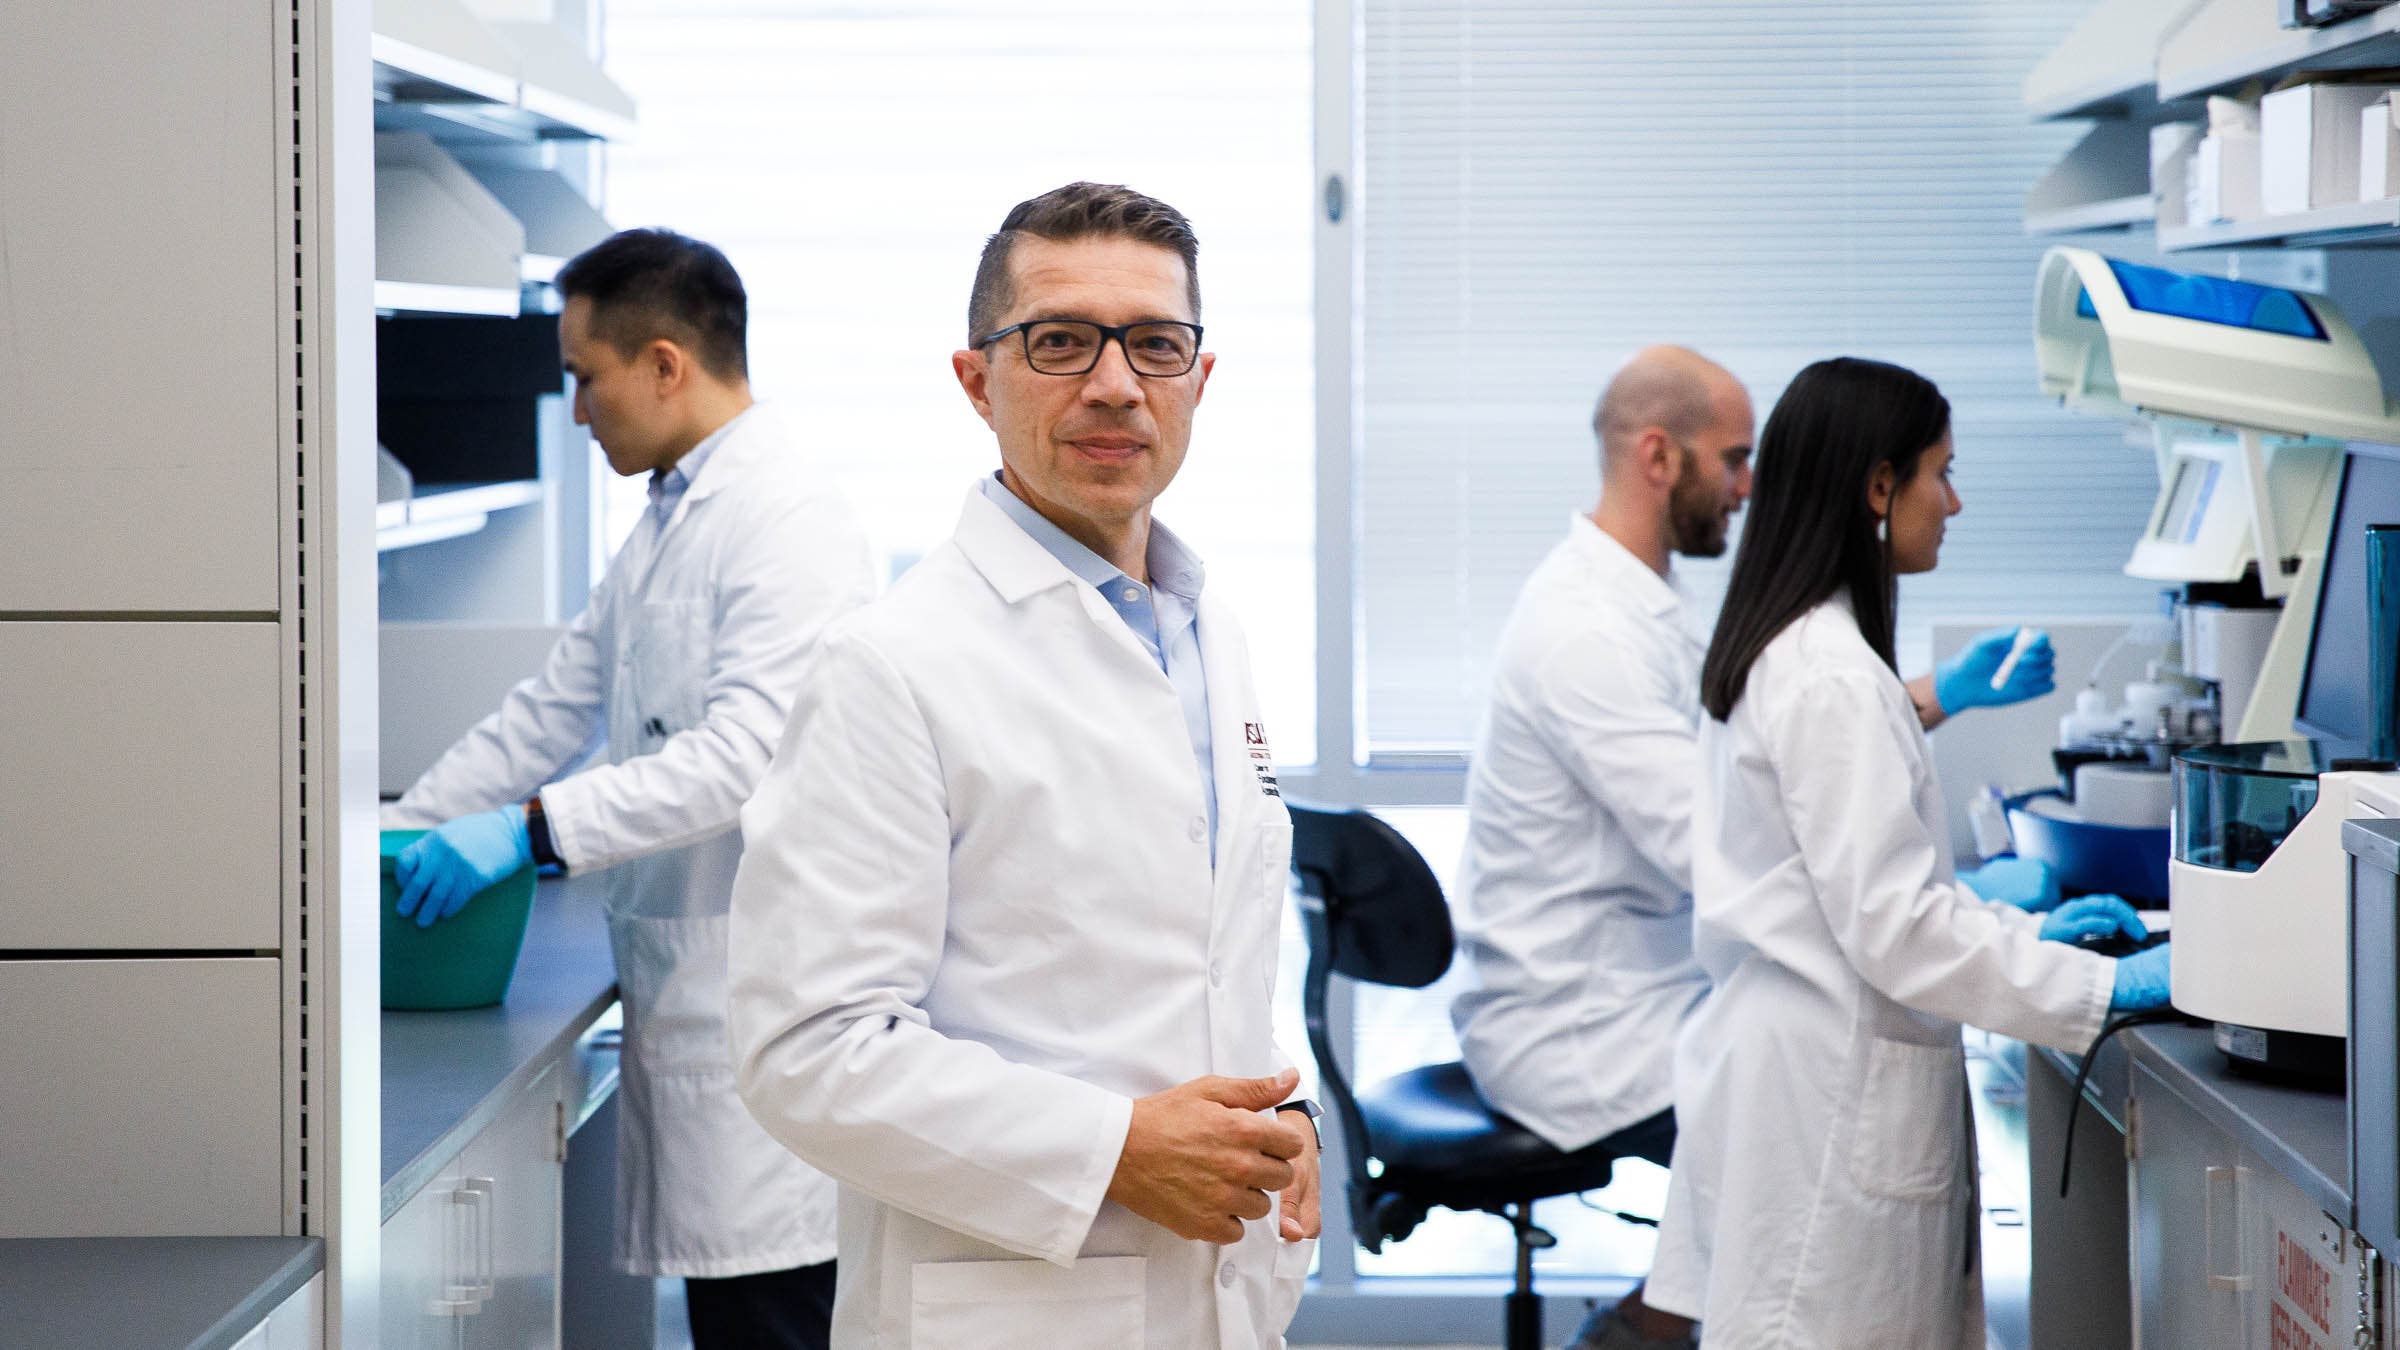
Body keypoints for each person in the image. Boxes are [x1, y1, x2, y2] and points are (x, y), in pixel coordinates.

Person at [725, 182, 1318, 1350]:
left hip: (1217, 1289)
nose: (1114, 385)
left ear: (1200, 381)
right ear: (975, 380)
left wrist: (1275, 1111)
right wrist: (1116, 1150)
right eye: (1059, 342)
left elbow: (1201, 958)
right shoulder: (892, 665)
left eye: (1155, 345)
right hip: (1014, 1307)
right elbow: (806, 1051)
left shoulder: (1212, 635)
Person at [383, 228, 876, 1350]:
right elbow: (552, 705)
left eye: (583, 376)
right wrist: (403, 832)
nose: (575, 409)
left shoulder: (786, 521)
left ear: (664, 364)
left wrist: (530, 832)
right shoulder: (669, 518)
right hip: (694, 1002)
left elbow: (751, 754)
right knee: (737, 1318)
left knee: (777, 1318)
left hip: (762, 1014)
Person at [1642, 357, 2172, 1348]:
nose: (1955, 501)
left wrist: (2025, 931)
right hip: (1826, 1102)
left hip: (1800, 1072)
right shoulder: (1832, 676)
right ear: (1879, 487)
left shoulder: (1797, 646)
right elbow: (1897, 929)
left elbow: (1876, 894)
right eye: (1943, 471)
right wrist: (2105, 990)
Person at [1447, 345, 1752, 1350]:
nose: (1748, 488)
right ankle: (1643, 1335)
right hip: (1578, 1024)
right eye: (1735, 459)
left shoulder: (1636, 602)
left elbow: (1745, 754)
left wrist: (1926, 701)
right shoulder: (1587, 631)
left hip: (1630, 989)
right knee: (1797, 1115)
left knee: (1799, 1077)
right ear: (1660, 457)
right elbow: (1711, 852)